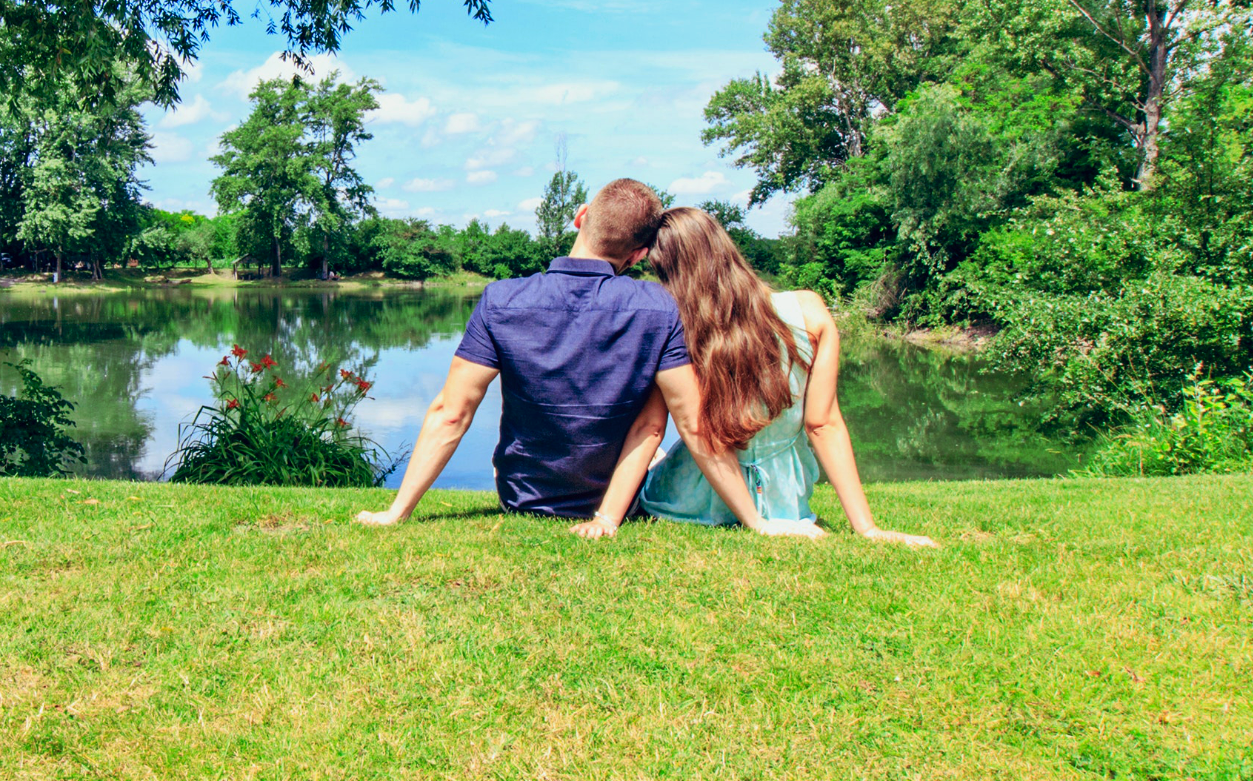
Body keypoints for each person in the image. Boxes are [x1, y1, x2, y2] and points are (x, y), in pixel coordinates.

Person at [354, 180, 819, 534]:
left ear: (580, 217)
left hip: (522, 499)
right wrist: (757, 522)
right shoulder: (659, 308)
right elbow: (689, 425)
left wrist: (397, 512)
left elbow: (451, 414)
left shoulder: (501, 300)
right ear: (639, 254)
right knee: (654, 443)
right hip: (616, 502)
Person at [570, 207, 936, 546]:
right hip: (783, 503)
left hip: (687, 501)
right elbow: (823, 425)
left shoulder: (675, 327)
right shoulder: (809, 311)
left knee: (659, 452)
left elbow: (651, 427)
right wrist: (867, 529)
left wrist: (607, 517)